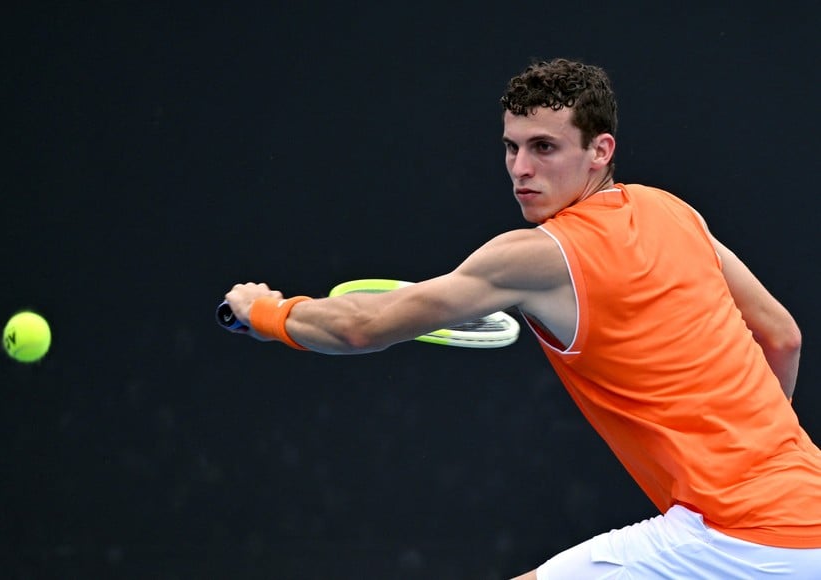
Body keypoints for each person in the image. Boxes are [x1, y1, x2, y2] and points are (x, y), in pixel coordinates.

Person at [223, 58, 821, 578]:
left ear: (599, 151)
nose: (520, 169)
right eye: (512, 147)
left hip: (740, 536)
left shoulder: (536, 256)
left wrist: (267, 312)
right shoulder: (676, 213)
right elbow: (783, 336)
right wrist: (746, 456)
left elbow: (362, 326)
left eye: (544, 147)